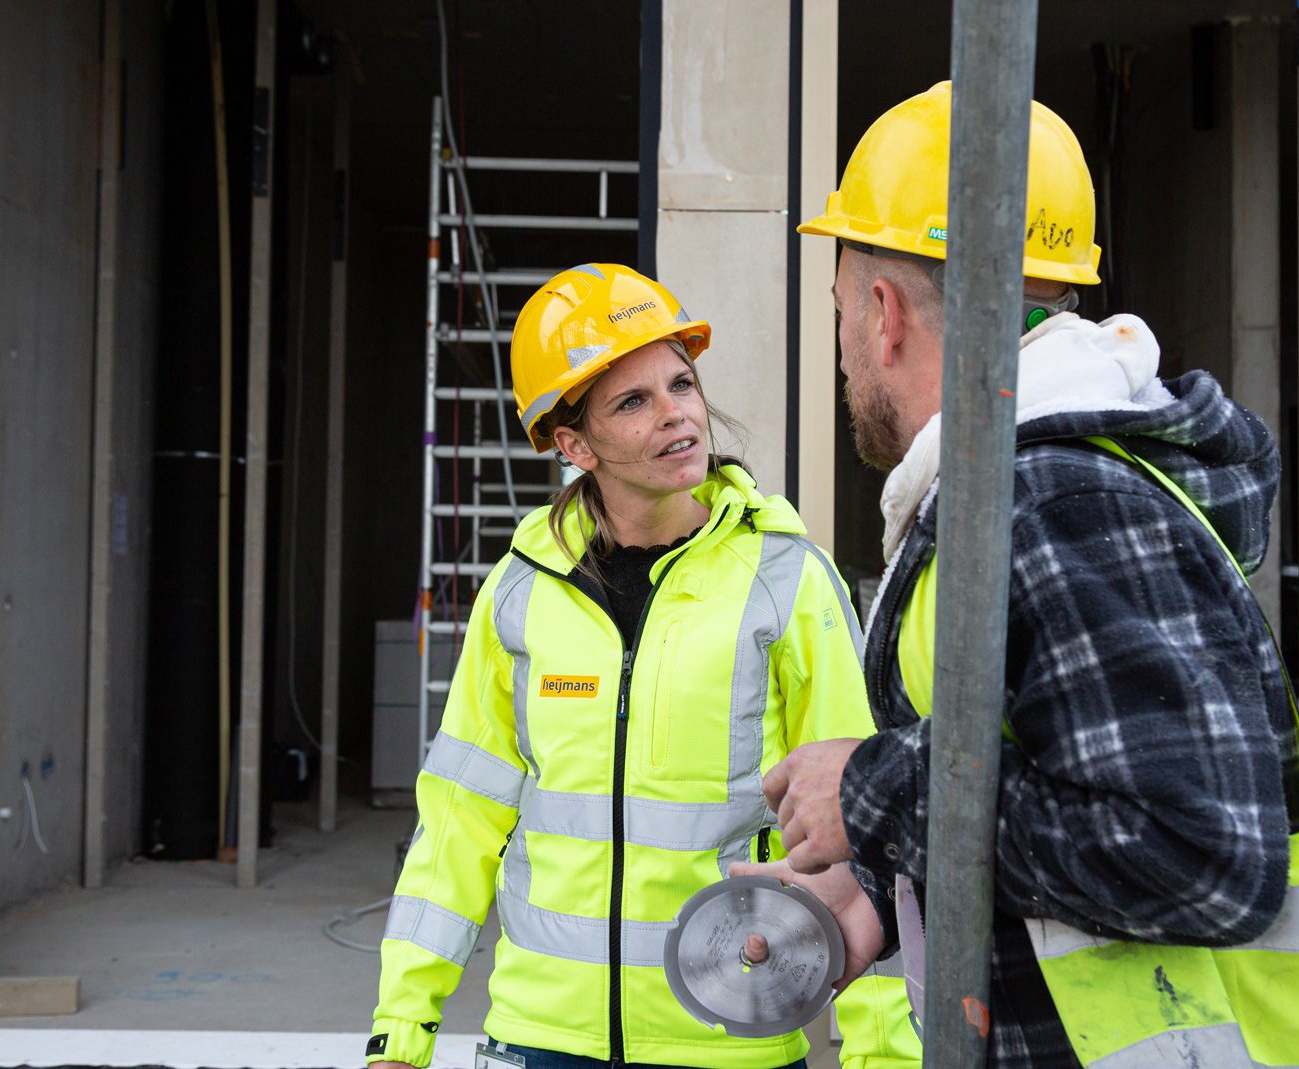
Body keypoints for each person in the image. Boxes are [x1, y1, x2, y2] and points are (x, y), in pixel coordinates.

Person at [733, 82, 1299, 1068]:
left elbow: (1197, 856)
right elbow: (1064, 796)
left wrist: (875, 788)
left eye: (835, 313)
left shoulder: (1058, 505)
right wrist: (885, 888)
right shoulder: (1020, 497)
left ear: (880, 314)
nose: (843, 354)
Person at [367, 264, 917, 1069]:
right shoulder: (521, 594)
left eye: (681, 384)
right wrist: (401, 1030)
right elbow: (458, 823)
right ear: (573, 443)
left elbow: (853, 828)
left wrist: (884, 1057)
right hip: (542, 1039)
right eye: (634, 401)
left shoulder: (786, 580)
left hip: (730, 1033)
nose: (678, 416)